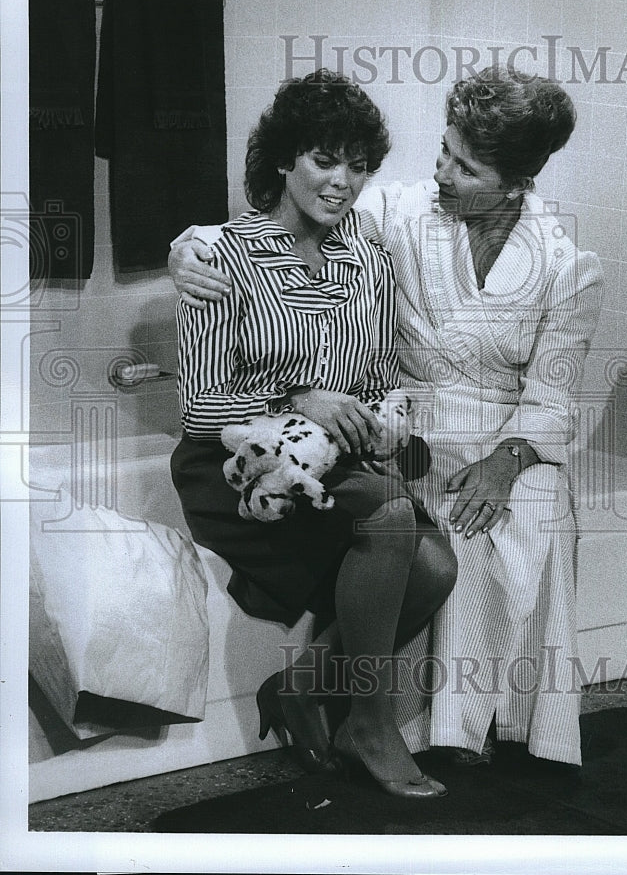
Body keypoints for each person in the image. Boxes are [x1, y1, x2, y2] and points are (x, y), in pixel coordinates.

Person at [170, 66, 604, 769]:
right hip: (306, 445)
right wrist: (186, 247)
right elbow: (254, 244)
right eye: (443, 151)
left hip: (443, 441)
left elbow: (534, 395)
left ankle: (331, 693)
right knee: (414, 527)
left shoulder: (548, 262)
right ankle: (394, 725)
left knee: (483, 538)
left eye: (464, 167)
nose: (440, 173)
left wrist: (494, 455)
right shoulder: (379, 222)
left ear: (515, 181)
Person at [170, 69, 457, 799]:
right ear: (282, 160)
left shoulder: (368, 258)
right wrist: (297, 395)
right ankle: (372, 720)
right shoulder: (221, 259)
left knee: (437, 569)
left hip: (333, 461)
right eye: (324, 159)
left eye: (357, 166)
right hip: (238, 463)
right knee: (393, 520)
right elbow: (201, 410)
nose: (342, 181)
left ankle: (302, 686)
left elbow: (367, 379)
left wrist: (374, 413)